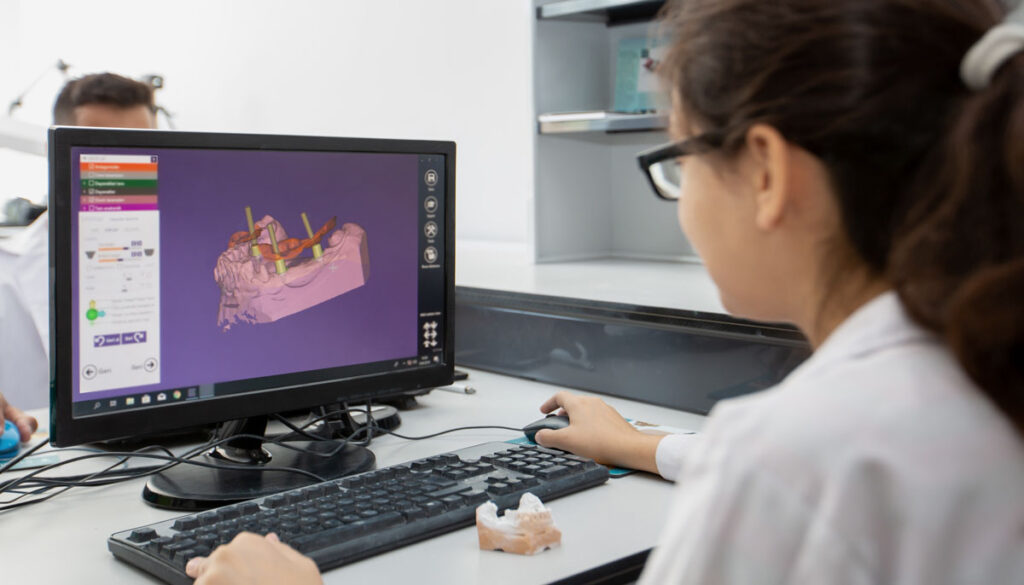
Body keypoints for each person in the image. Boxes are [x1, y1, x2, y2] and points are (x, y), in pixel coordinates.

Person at [188, 0, 1024, 582]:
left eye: (678, 158)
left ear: (766, 171)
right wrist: (644, 445)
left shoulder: (798, 456)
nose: (682, 196)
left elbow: (795, 480)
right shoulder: (967, 367)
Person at [0, 73, 158, 412]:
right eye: (105, 151)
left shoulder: (197, 259)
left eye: (142, 151)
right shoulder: (7, 269)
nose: (127, 170)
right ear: (53, 153)